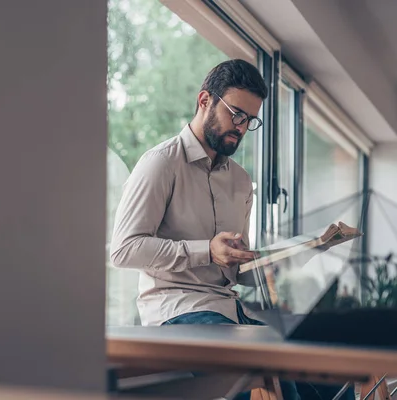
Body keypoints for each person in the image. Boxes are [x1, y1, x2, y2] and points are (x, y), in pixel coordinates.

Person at [110, 59, 353, 400]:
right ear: (204, 100)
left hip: (228, 311)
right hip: (178, 312)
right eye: (236, 114)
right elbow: (123, 249)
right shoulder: (161, 163)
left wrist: (300, 252)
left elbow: (239, 271)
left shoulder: (240, 181)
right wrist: (206, 249)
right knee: (269, 384)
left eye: (250, 120)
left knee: (322, 377)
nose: (241, 127)